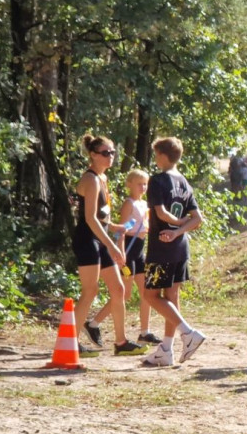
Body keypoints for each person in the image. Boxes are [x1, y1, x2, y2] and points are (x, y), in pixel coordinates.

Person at [71, 135, 149, 358]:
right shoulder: (92, 179)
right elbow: (89, 219)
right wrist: (113, 246)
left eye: (113, 152)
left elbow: (101, 217)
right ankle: (72, 342)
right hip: (88, 240)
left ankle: (121, 342)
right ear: (93, 155)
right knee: (90, 291)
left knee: (118, 290)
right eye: (106, 153)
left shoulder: (102, 178)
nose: (110, 156)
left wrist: (117, 227)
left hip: (100, 237)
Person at [140, 137, 206, 367]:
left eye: (156, 154)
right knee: (171, 298)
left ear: (163, 156)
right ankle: (166, 350)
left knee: (150, 296)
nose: (155, 159)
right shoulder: (184, 182)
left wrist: (174, 225)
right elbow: (197, 219)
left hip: (162, 248)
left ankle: (188, 334)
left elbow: (160, 213)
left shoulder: (157, 181)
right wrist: (180, 231)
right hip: (180, 247)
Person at [89, 169, 161, 346]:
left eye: (145, 184)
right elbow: (122, 229)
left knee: (146, 292)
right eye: (139, 184)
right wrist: (121, 255)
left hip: (140, 251)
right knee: (125, 294)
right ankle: (93, 323)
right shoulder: (129, 203)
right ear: (130, 185)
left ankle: (145, 331)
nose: (143, 187)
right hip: (129, 249)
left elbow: (143, 225)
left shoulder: (144, 204)